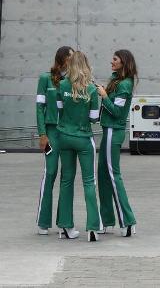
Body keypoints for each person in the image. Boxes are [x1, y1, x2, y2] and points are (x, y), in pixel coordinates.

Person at [56, 51, 102, 242]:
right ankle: (92, 227)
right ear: (86, 65)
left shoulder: (62, 84)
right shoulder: (92, 89)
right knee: (89, 182)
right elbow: (94, 119)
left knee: (66, 181)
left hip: (64, 136)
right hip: (83, 138)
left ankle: (65, 226)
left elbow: (59, 109)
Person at [96, 50, 137, 237]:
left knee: (113, 175)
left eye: (115, 59)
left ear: (123, 62)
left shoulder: (125, 84)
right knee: (103, 174)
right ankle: (107, 221)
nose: (111, 62)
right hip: (108, 130)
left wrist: (104, 96)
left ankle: (128, 222)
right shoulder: (117, 81)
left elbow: (118, 113)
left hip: (114, 130)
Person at [35, 46, 74, 235]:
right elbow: (39, 108)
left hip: (68, 133)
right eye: (71, 57)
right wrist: (42, 133)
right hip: (51, 133)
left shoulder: (73, 80)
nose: (73, 61)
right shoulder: (45, 78)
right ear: (63, 58)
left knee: (68, 176)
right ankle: (43, 221)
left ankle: (64, 222)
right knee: (50, 172)